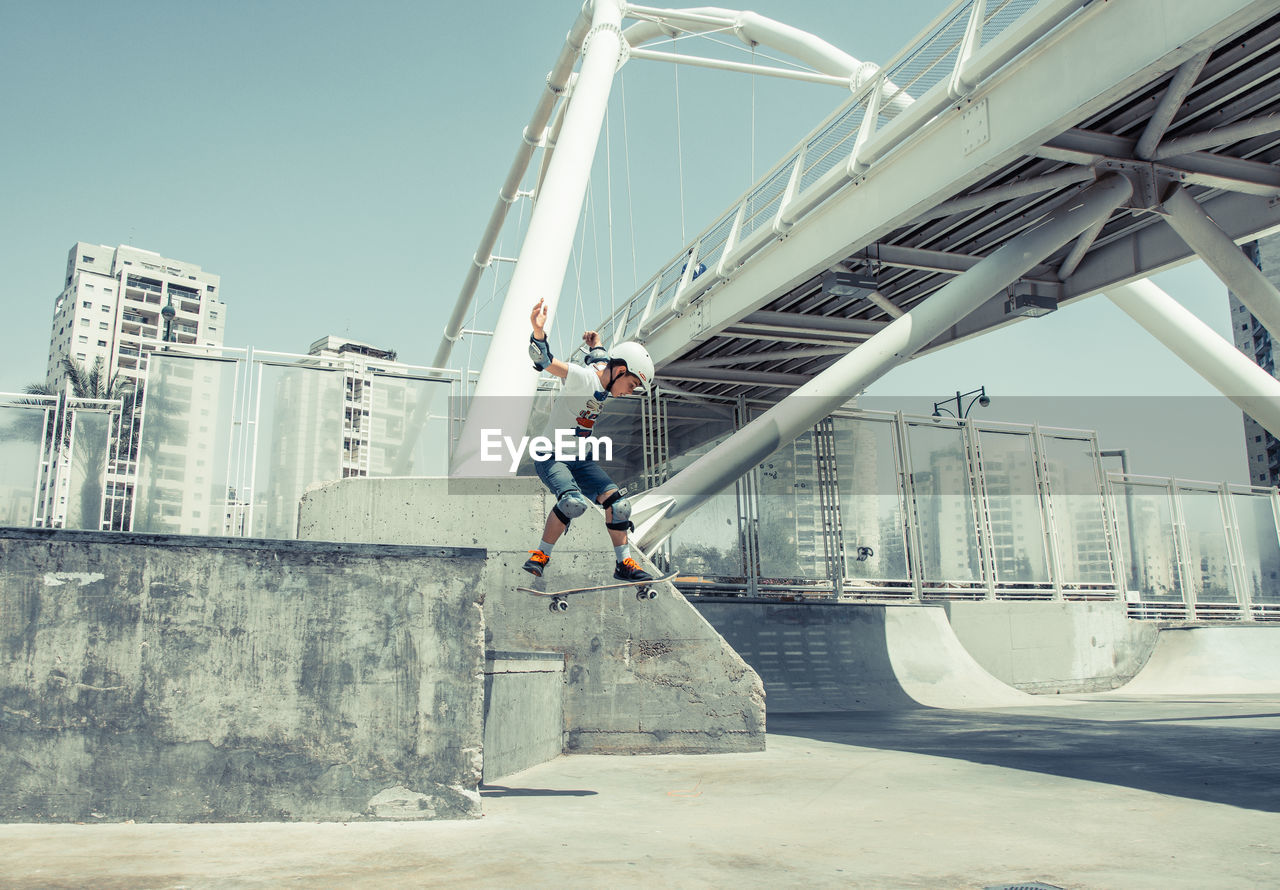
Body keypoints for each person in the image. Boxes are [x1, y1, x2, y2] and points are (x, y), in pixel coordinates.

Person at [522, 298, 655, 584]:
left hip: (580, 459)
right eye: (631, 384)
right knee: (573, 503)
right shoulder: (582, 379)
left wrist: (595, 343)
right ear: (620, 372)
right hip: (551, 455)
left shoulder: (608, 375)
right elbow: (544, 361)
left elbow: (600, 358)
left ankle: (624, 565)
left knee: (618, 506)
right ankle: (541, 555)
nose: (629, 391)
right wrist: (538, 331)